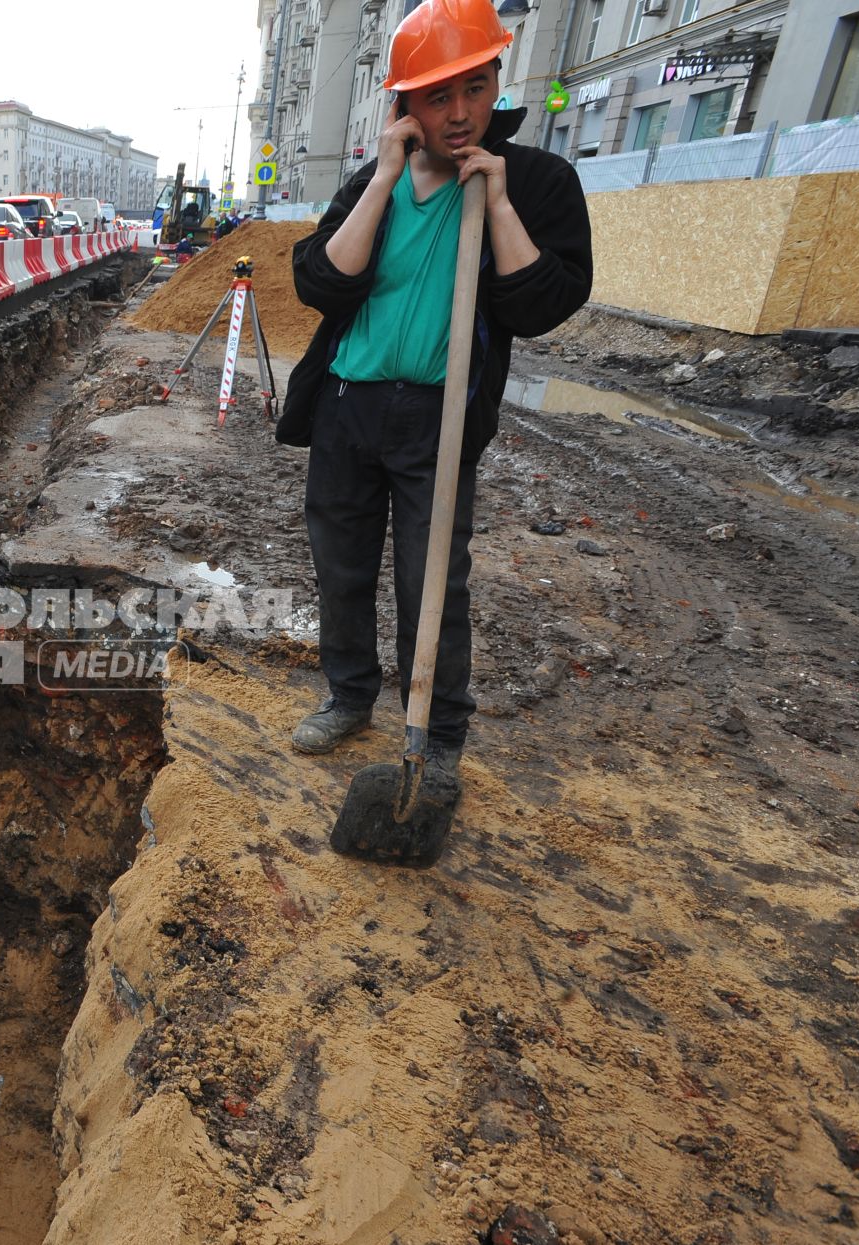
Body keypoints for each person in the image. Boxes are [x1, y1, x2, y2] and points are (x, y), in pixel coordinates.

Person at [278, 0, 592, 779]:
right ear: (404, 106)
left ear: (497, 82)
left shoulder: (541, 182)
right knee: (342, 565)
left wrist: (501, 201)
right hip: (348, 406)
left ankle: (437, 731)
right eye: (438, 97)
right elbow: (320, 282)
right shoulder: (371, 183)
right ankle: (350, 696)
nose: (460, 114)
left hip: (440, 416)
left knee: (432, 580)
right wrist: (384, 177)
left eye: (476, 89)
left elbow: (543, 303)